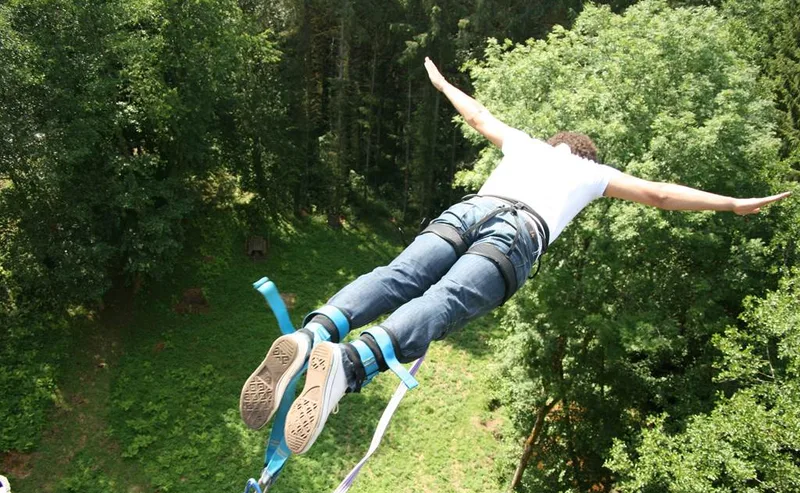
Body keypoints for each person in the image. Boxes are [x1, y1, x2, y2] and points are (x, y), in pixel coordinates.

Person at [239, 57, 791, 455]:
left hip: (473, 209)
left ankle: (313, 334)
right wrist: (734, 203)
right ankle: (348, 364)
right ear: (585, 155)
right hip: (517, 234)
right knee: (446, 299)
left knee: (399, 274)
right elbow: (661, 194)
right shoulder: (594, 174)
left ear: (555, 143)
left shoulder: (526, 146)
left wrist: (442, 82)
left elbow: (478, 115)